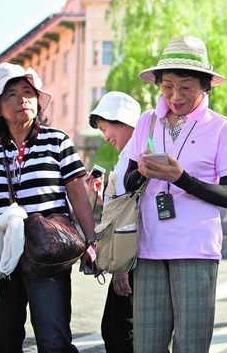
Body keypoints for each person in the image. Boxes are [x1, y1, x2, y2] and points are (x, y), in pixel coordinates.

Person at [0, 63, 96, 352]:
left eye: (28, 92)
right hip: (0, 257)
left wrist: (92, 241)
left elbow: (78, 194)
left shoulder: (58, 142)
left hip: (48, 253)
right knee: (3, 342)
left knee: (54, 341)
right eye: (12, 95)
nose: (22, 100)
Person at [122, 35, 227, 352]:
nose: (176, 95)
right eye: (168, 86)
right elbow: (127, 181)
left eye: (186, 87)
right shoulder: (147, 122)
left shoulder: (221, 127)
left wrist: (182, 178)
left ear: (204, 87)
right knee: (147, 344)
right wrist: (141, 174)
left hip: (196, 248)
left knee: (191, 344)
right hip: (148, 247)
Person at [86, 91, 141, 353]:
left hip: (131, 261)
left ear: (123, 120)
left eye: (106, 128)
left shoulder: (137, 155)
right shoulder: (128, 154)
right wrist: (101, 198)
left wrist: (120, 268)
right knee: (117, 330)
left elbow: (132, 214)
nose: (105, 137)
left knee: (121, 333)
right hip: (127, 258)